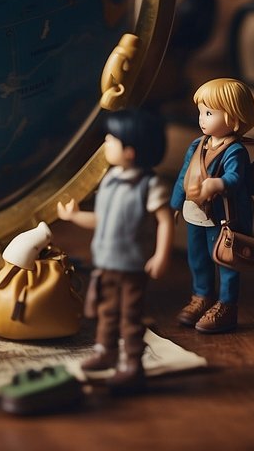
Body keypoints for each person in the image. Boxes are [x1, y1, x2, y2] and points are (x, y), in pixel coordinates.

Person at [58, 109, 172, 390]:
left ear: (130, 151)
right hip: (106, 262)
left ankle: (132, 363)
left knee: (129, 315)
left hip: (132, 266)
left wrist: (161, 255)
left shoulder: (150, 185)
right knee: (107, 311)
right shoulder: (109, 180)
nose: (105, 145)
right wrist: (73, 218)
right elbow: (100, 219)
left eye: (111, 141)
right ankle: (105, 351)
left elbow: (165, 221)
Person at [169, 78, 254, 334]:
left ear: (233, 118)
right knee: (197, 258)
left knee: (226, 261)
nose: (202, 118)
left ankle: (227, 305)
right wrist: (176, 203)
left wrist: (216, 184)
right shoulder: (198, 145)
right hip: (195, 213)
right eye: (201, 112)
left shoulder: (235, 150)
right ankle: (201, 297)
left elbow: (236, 179)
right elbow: (184, 175)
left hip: (223, 219)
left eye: (209, 113)